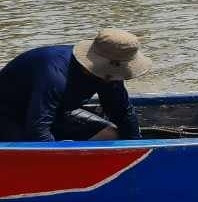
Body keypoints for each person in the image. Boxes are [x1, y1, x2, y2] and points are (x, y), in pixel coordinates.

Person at [0, 29, 152, 142]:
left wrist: (135, 144)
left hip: (56, 113)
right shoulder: (54, 74)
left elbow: (122, 112)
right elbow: (38, 129)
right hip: (9, 116)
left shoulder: (110, 75)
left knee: (113, 134)